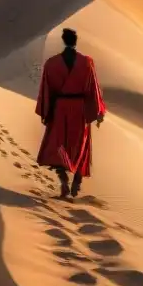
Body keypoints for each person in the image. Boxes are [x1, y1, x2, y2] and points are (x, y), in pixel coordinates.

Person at [35, 27, 106, 200]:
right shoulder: (87, 62)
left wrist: (46, 112)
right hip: (80, 110)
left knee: (58, 145)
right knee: (81, 147)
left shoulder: (51, 64)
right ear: (75, 41)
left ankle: (64, 181)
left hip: (60, 108)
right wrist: (98, 111)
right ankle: (76, 183)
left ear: (63, 41)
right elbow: (93, 89)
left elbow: (46, 91)